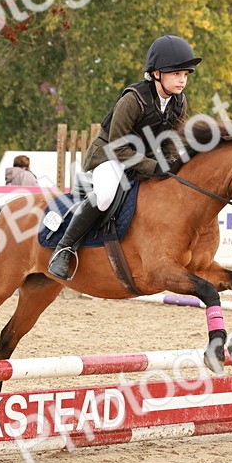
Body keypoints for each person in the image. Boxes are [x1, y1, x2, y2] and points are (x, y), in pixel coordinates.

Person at [48, 35, 200, 280]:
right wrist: (155, 166)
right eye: (176, 74)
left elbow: (169, 140)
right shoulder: (133, 99)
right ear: (157, 74)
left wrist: (173, 163)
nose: (182, 80)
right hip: (110, 156)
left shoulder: (178, 101)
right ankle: (64, 248)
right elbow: (118, 147)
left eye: (185, 74)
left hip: (142, 158)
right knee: (106, 195)